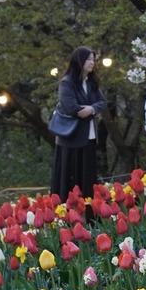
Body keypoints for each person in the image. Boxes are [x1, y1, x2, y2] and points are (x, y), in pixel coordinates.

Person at [50, 47, 107, 200]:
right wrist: (89, 110)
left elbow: (102, 102)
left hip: (89, 136)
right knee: (71, 179)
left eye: (93, 59)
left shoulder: (91, 82)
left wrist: (91, 108)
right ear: (79, 61)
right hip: (71, 137)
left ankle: (89, 213)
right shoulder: (67, 83)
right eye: (88, 59)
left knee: (88, 178)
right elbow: (71, 108)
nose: (92, 63)